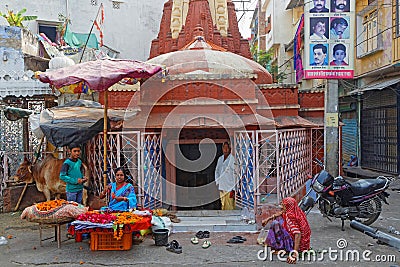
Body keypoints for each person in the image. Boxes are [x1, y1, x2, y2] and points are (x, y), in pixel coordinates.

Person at [262, 197, 311, 264]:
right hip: (304, 243)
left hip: (298, 244)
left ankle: (282, 248)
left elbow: (298, 234)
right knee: (279, 220)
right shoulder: (296, 211)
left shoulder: (291, 217)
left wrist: (294, 254)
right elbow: (282, 213)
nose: (282, 207)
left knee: (275, 224)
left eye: (284, 206)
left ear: (288, 206)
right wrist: (268, 219)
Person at [215, 141, 235, 210]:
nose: (225, 149)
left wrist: (234, 188)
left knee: (230, 205)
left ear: (230, 149)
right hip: (221, 186)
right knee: (223, 205)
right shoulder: (220, 159)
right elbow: (217, 171)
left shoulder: (232, 159)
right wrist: (217, 182)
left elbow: (236, 173)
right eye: (224, 148)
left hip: (230, 187)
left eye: (227, 148)